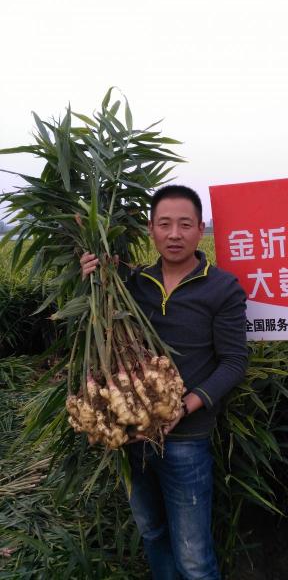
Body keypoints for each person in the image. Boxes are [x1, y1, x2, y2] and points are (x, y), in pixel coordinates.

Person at [81, 185, 248, 580]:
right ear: (150, 228)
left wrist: (183, 407)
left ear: (201, 229)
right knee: (152, 533)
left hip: (187, 439)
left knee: (193, 558)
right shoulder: (132, 283)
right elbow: (95, 324)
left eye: (185, 225)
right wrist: (91, 278)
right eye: (165, 224)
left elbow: (234, 362)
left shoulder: (222, 287)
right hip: (131, 435)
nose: (175, 234)